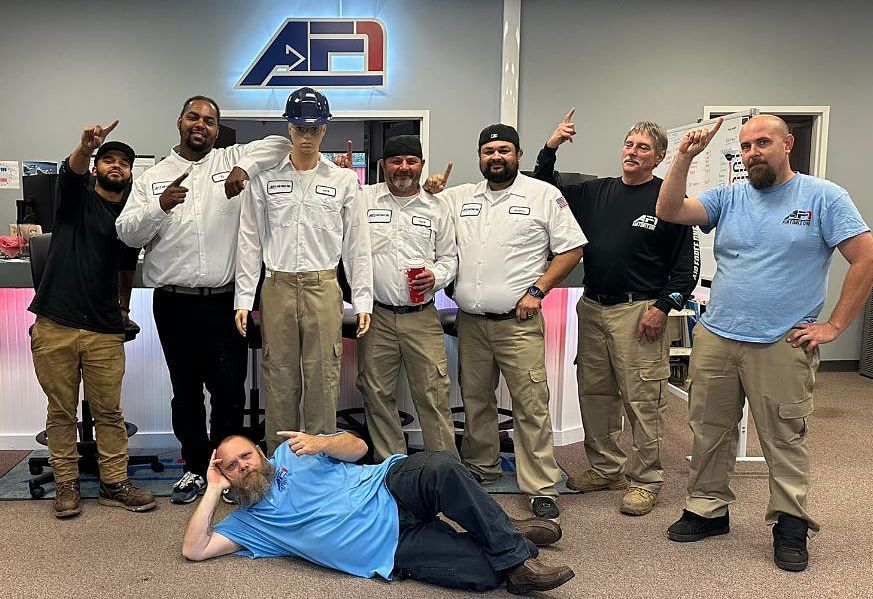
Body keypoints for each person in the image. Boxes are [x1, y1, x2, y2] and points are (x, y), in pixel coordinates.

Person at [656, 114, 873, 571]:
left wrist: (833, 327)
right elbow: (670, 211)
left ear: (787, 144)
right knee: (710, 429)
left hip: (782, 341)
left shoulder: (824, 196)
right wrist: (683, 157)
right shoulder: (731, 196)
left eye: (762, 143)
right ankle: (707, 508)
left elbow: (867, 260)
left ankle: (791, 524)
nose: (752, 152)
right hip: (719, 335)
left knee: (784, 435)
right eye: (745, 146)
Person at [115, 95, 292, 504]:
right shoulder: (153, 177)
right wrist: (159, 207)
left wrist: (243, 167)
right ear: (179, 122)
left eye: (209, 121)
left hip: (225, 302)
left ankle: (228, 471)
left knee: (229, 391)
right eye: (193, 117)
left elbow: (282, 144)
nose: (201, 125)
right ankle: (195, 467)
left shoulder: (231, 157)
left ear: (217, 129)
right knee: (186, 391)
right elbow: (127, 233)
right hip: (173, 303)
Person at [533, 110, 698, 516]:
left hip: (639, 310)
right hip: (591, 307)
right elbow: (543, 188)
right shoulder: (596, 191)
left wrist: (663, 306)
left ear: (659, 157)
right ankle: (606, 467)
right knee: (595, 392)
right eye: (629, 145)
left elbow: (686, 268)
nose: (633, 152)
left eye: (643, 148)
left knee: (643, 398)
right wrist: (550, 146)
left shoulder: (670, 201)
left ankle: (646, 479)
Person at [181, 432, 576, 594]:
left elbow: (358, 448)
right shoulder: (249, 525)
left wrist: (323, 442)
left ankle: (515, 558)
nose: (243, 466)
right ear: (227, 477)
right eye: (231, 466)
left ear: (261, 453)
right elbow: (194, 549)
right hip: (391, 546)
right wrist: (213, 488)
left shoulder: (293, 452)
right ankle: (504, 532)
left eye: (246, 455)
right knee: (485, 577)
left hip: (388, 485)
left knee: (441, 467)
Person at [426, 124, 587, 520]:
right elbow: (419, 210)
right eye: (488, 151)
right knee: (476, 400)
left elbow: (572, 249)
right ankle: (482, 469)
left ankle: (541, 485)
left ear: (517, 153)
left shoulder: (544, 195)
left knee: (530, 403)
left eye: (504, 150)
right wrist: (428, 190)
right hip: (471, 323)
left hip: (518, 323)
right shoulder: (459, 198)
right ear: (479, 157)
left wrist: (538, 290)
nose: (495, 157)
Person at [233, 87, 373, 453]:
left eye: (314, 128)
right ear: (289, 129)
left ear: (325, 129)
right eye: (299, 128)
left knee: (323, 376)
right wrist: (243, 298)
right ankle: (281, 463)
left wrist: (363, 301)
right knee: (279, 376)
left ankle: (321, 461)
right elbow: (250, 240)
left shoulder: (343, 181)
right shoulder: (264, 179)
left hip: (323, 287)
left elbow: (357, 246)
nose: (307, 136)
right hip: (276, 285)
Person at [28, 119, 155, 517]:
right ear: (98, 167)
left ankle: (114, 482)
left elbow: (126, 266)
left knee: (109, 412)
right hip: (56, 321)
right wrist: (85, 148)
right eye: (109, 160)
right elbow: (70, 173)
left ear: (131, 173)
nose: (116, 166)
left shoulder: (131, 218)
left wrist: (124, 309)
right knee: (61, 410)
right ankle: (66, 484)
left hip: (103, 327)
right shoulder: (76, 199)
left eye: (124, 163)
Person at [353, 135, 459, 462]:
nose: (403, 167)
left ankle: (444, 469)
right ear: (383, 164)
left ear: (421, 165)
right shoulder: (363, 200)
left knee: (433, 394)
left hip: (422, 316)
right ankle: (393, 467)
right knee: (377, 393)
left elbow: (450, 258)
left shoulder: (438, 206)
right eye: (396, 161)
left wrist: (437, 277)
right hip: (377, 316)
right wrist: (342, 173)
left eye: (411, 161)